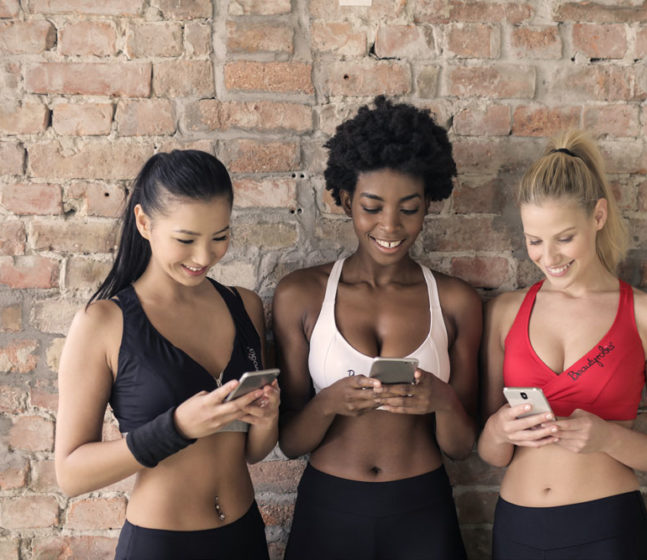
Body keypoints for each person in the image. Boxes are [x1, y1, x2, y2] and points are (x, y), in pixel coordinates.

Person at [273, 96, 481, 560]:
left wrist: (441, 401)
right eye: (372, 206)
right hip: (330, 507)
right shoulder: (300, 295)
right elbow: (288, 442)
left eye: (409, 208)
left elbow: (463, 448)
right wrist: (330, 403)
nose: (390, 225)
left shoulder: (455, 300)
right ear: (346, 199)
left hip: (421, 507)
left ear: (429, 203)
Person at [54, 150, 279, 560]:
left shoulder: (243, 305)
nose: (203, 258)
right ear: (144, 222)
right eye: (186, 240)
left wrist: (266, 418)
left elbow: (253, 451)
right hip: (161, 546)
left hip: (244, 537)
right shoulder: (103, 322)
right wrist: (176, 427)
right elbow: (70, 474)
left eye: (220, 237)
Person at [478, 130, 647, 559]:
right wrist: (498, 429)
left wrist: (608, 438)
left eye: (564, 237)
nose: (549, 257)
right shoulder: (504, 312)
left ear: (598, 216)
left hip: (607, 532)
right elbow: (491, 454)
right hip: (518, 530)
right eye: (534, 241)